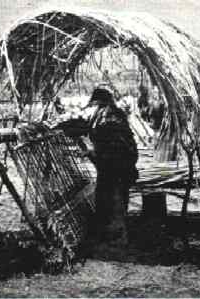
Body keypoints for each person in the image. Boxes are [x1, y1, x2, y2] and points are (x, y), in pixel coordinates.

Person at [64, 86, 139, 250]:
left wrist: (93, 154)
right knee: (113, 200)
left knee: (114, 200)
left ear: (98, 102)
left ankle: (117, 240)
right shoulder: (111, 114)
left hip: (116, 167)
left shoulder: (108, 118)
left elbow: (113, 148)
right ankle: (114, 236)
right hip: (118, 166)